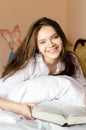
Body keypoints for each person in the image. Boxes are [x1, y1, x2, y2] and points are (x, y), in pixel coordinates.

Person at [0, 17, 86, 120]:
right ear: (37, 47)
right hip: (15, 99)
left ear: (61, 38)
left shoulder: (72, 59)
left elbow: (80, 88)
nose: (51, 44)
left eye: (54, 37)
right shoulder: (29, 65)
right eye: (42, 42)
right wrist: (20, 109)